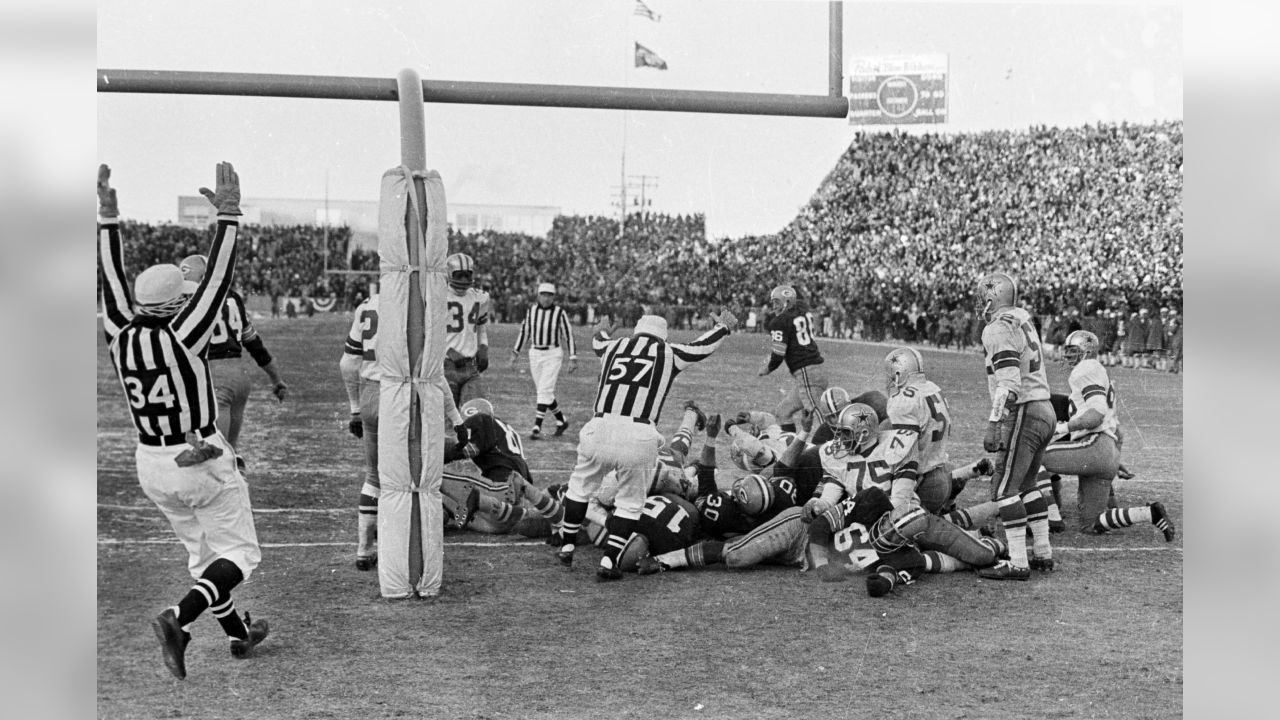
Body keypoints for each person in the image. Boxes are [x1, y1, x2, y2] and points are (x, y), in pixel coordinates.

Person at [98, 162, 268, 679]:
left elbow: (110, 283)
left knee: (203, 558)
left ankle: (239, 634)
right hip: (198, 457)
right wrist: (229, 215)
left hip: (151, 462)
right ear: (176, 303)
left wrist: (108, 219)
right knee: (239, 554)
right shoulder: (181, 334)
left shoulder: (119, 333)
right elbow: (217, 280)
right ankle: (179, 619)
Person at [551, 309, 738, 580]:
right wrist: (723, 327)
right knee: (629, 504)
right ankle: (607, 561)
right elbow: (701, 347)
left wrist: (603, 328)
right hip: (638, 433)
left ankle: (567, 545)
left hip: (599, 427)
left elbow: (597, 340)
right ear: (662, 335)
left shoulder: (613, 346)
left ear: (638, 330)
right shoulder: (668, 352)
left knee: (579, 489)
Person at [341, 292, 477, 570]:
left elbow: (347, 362)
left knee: (373, 475)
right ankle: (404, 550)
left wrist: (355, 407)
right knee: (412, 474)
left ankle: (364, 550)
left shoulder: (368, 305)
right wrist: (456, 419)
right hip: (400, 395)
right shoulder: (417, 307)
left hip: (369, 391)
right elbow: (434, 374)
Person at [1039, 331, 1177, 540]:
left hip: (1093, 446)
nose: (1068, 356)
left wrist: (1060, 429)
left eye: (1073, 351)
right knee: (1091, 524)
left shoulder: (1086, 369)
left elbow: (1095, 415)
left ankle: (1052, 516)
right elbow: (1118, 432)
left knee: (1031, 459)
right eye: (1067, 351)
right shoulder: (1099, 372)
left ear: (1087, 352)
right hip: (1107, 453)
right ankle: (1149, 513)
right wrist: (1113, 460)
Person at [972, 271, 1057, 580]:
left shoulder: (997, 328)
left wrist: (995, 423)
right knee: (1028, 485)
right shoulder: (1022, 318)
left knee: (1005, 489)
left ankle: (1019, 562)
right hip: (1045, 407)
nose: (980, 302)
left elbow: (1009, 383)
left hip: (1024, 410)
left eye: (983, 295)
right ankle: (1043, 553)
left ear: (994, 298)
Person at [178, 254, 287, 466]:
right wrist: (276, 379)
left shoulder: (192, 300)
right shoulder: (233, 298)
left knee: (213, 458)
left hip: (214, 377)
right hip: (239, 378)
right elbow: (255, 344)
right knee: (230, 452)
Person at [442, 398, 561, 535]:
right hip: (514, 491)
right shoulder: (503, 428)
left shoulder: (481, 419)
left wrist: (437, 455)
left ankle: (447, 510)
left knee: (437, 475)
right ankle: (531, 516)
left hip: (501, 487)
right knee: (473, 517)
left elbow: (469, 449)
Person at [510, 282, 577, 440]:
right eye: (543, 295)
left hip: (553, 353)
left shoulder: (559, 313)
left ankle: (537, 426)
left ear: (554, 297)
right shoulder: (531, 311)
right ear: (538, 295)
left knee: (544, 390)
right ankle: (561, 420)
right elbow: (525, 332)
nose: (546, 298)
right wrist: (515, 353)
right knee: (544, 390)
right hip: (535, 353)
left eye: (549, 295)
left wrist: (573, 357)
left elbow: (569, 335)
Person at [758, 284, 828, 432]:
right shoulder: (802, 311)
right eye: (774, 302)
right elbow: (800, 301)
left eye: (777, 302)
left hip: (807, 372)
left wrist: (768, 368)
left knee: (823, 418)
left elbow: (778, 355)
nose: (774, 306)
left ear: (787, 302)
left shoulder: (779, 321)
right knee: (783, 412)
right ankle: (790, 448)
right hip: (814, 371)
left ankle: (840, 450)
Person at [442, 252, 491, 406]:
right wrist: (447, 350)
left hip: (470, 366)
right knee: (449, 420)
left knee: (475, 413)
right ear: (449, 274)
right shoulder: (438, 296)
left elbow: (481, 327)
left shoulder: (480, 297)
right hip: (445, 366)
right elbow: (427, 332)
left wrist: (483, 347)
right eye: (459, 275)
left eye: (467, 275)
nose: (463, 280)